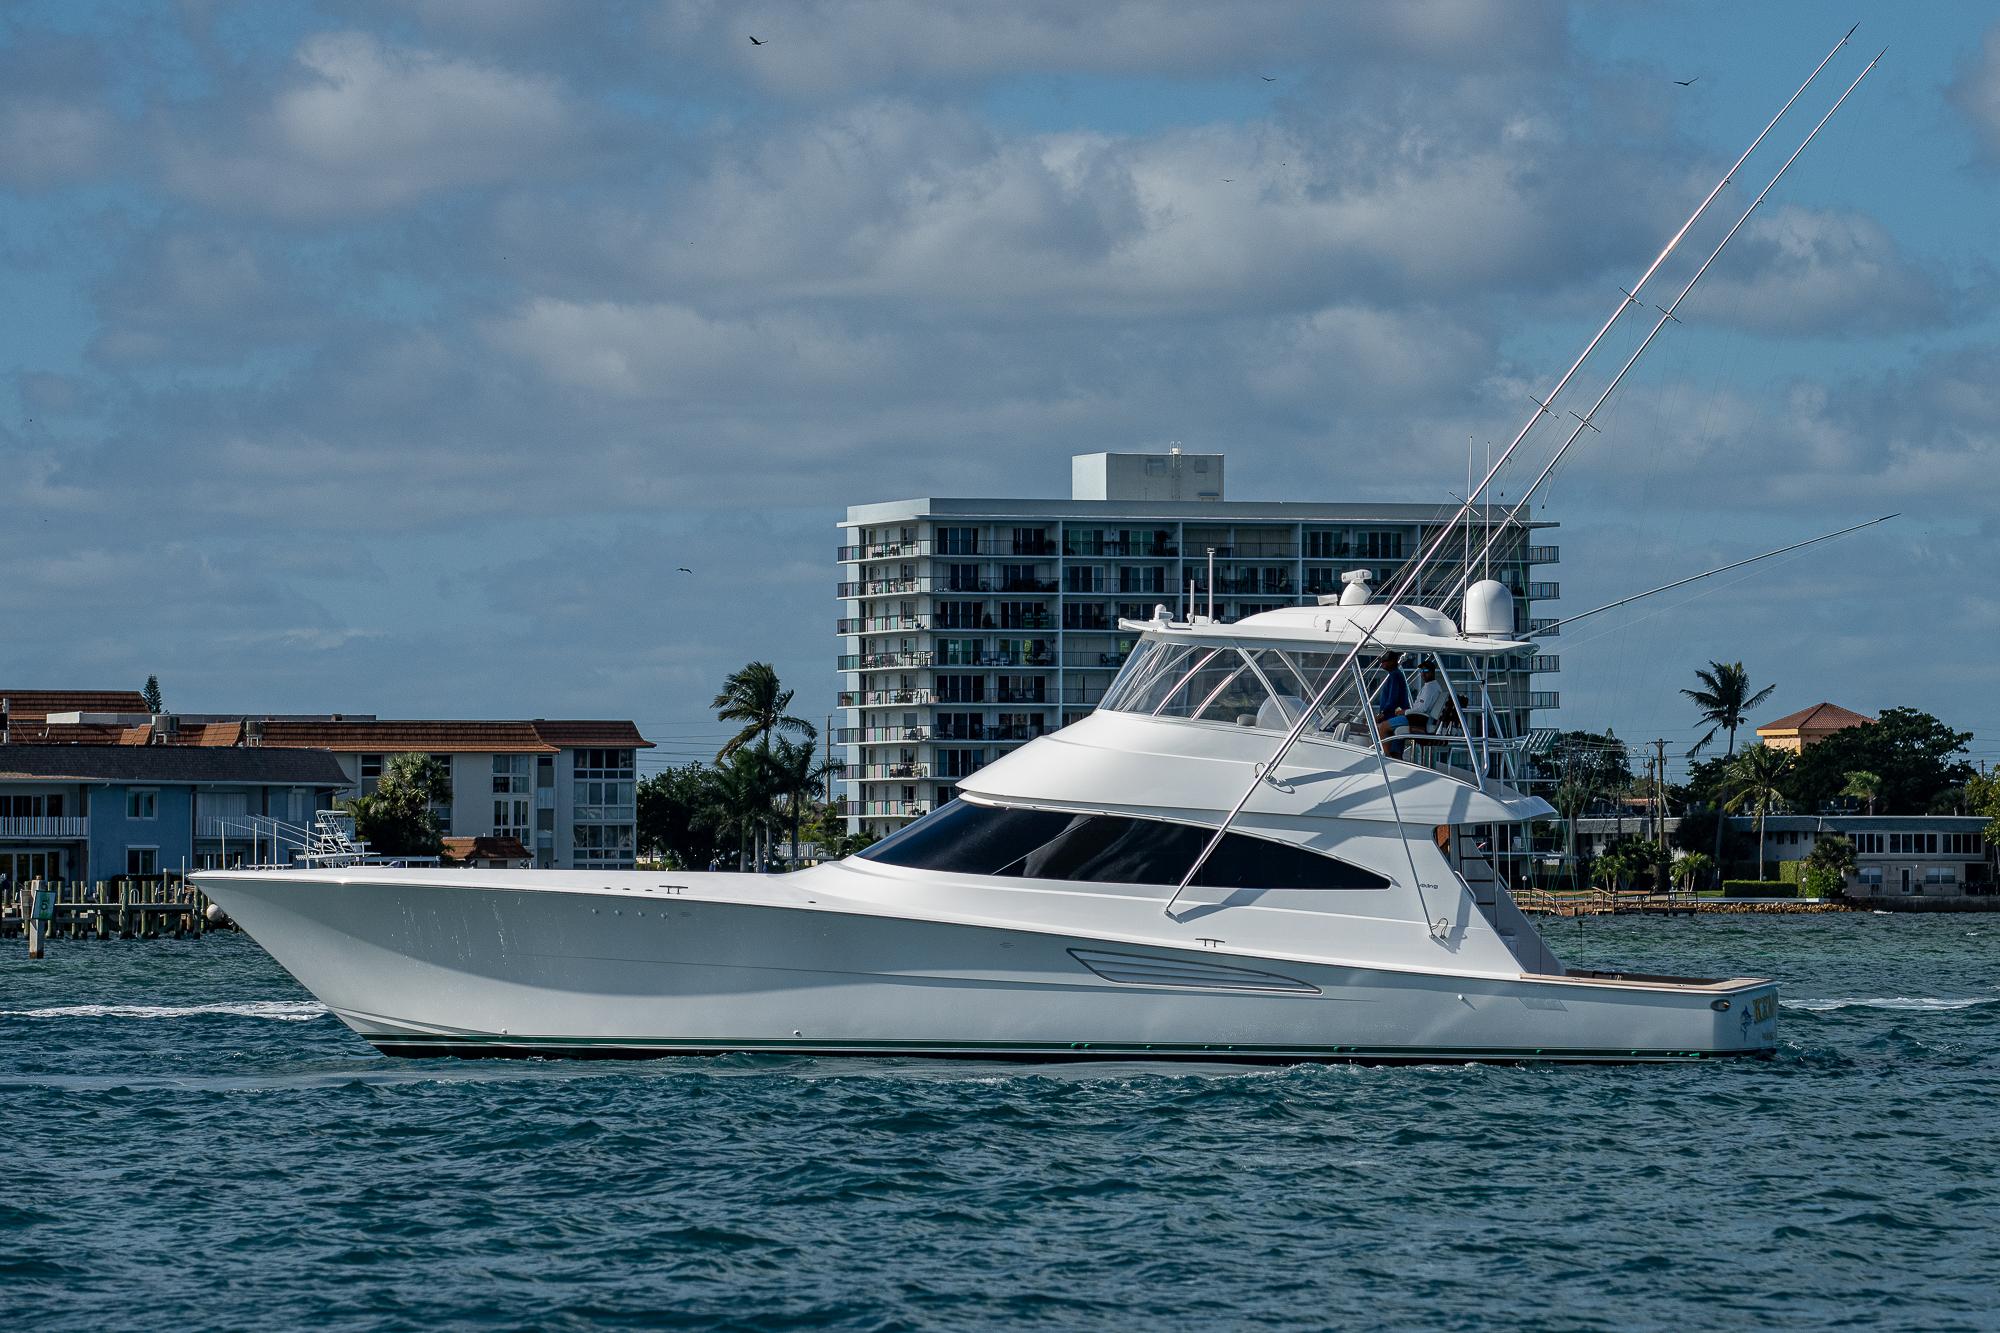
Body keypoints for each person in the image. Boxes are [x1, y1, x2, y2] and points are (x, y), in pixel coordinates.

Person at [1371, 651, 1409, 757]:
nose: (1382, 663)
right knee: (1395, 748)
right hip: (1392, 715)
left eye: (1384, 661)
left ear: (1393, 661)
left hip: (1393, 715)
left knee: (1394, 750)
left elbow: (1393, 698)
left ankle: (1387, 758)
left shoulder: (1395, 675)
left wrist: (1382, 714)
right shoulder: (1395, 675)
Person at [1407, 660, 1446, 735]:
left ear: (1432, 672)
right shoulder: (1433, 686)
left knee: (1385, 726)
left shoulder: (1430, 688)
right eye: (1421, 671)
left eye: (1426, 670)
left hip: (1420, 722)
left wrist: (1404, 712)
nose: (1423, 673)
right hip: (1419, 719)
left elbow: (1422, 709)